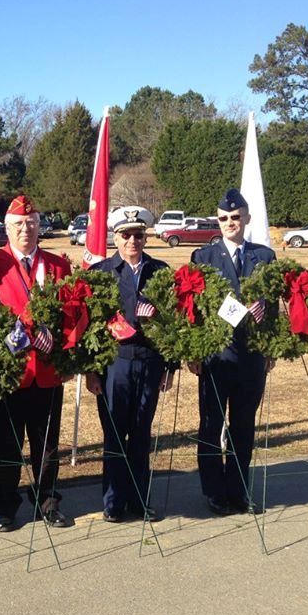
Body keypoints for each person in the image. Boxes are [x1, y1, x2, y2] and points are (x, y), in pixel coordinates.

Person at [0, 195, 73, 531]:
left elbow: (70, 317)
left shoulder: (58, 266)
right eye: (18, 225)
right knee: (4, 445)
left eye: (31, 223)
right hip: (7, 376)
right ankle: (5, 505)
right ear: (6, 228)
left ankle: (47, 501)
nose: (25, 230)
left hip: (46, 374)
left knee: (47, 447)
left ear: (39, 225)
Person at [189, 189, 276, 516]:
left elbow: (272, 308)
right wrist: (193, 351)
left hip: (252, 356)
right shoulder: (204, 258)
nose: (230, 223)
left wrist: (270, 347)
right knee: (211, 426)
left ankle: (239, 491)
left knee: (243, 425)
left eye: (235, 217)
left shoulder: (264, 257)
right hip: (215, 356)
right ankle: (214, 492)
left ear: (247, 219)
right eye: (223, 218)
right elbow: (193, 309)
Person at [86, 208, 176, 523]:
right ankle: (113, 502)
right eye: (126, 235)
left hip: (150, 363)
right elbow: (91, 328)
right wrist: (91, 370)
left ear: (145, 236)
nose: (133, 241)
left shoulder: (161, 271)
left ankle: (139, 500)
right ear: (116, 237)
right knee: (114, 434)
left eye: (139, 235)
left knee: (140, 434)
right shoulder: (101, 273)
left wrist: (170, 367)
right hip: (114, 365)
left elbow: (172, 324)